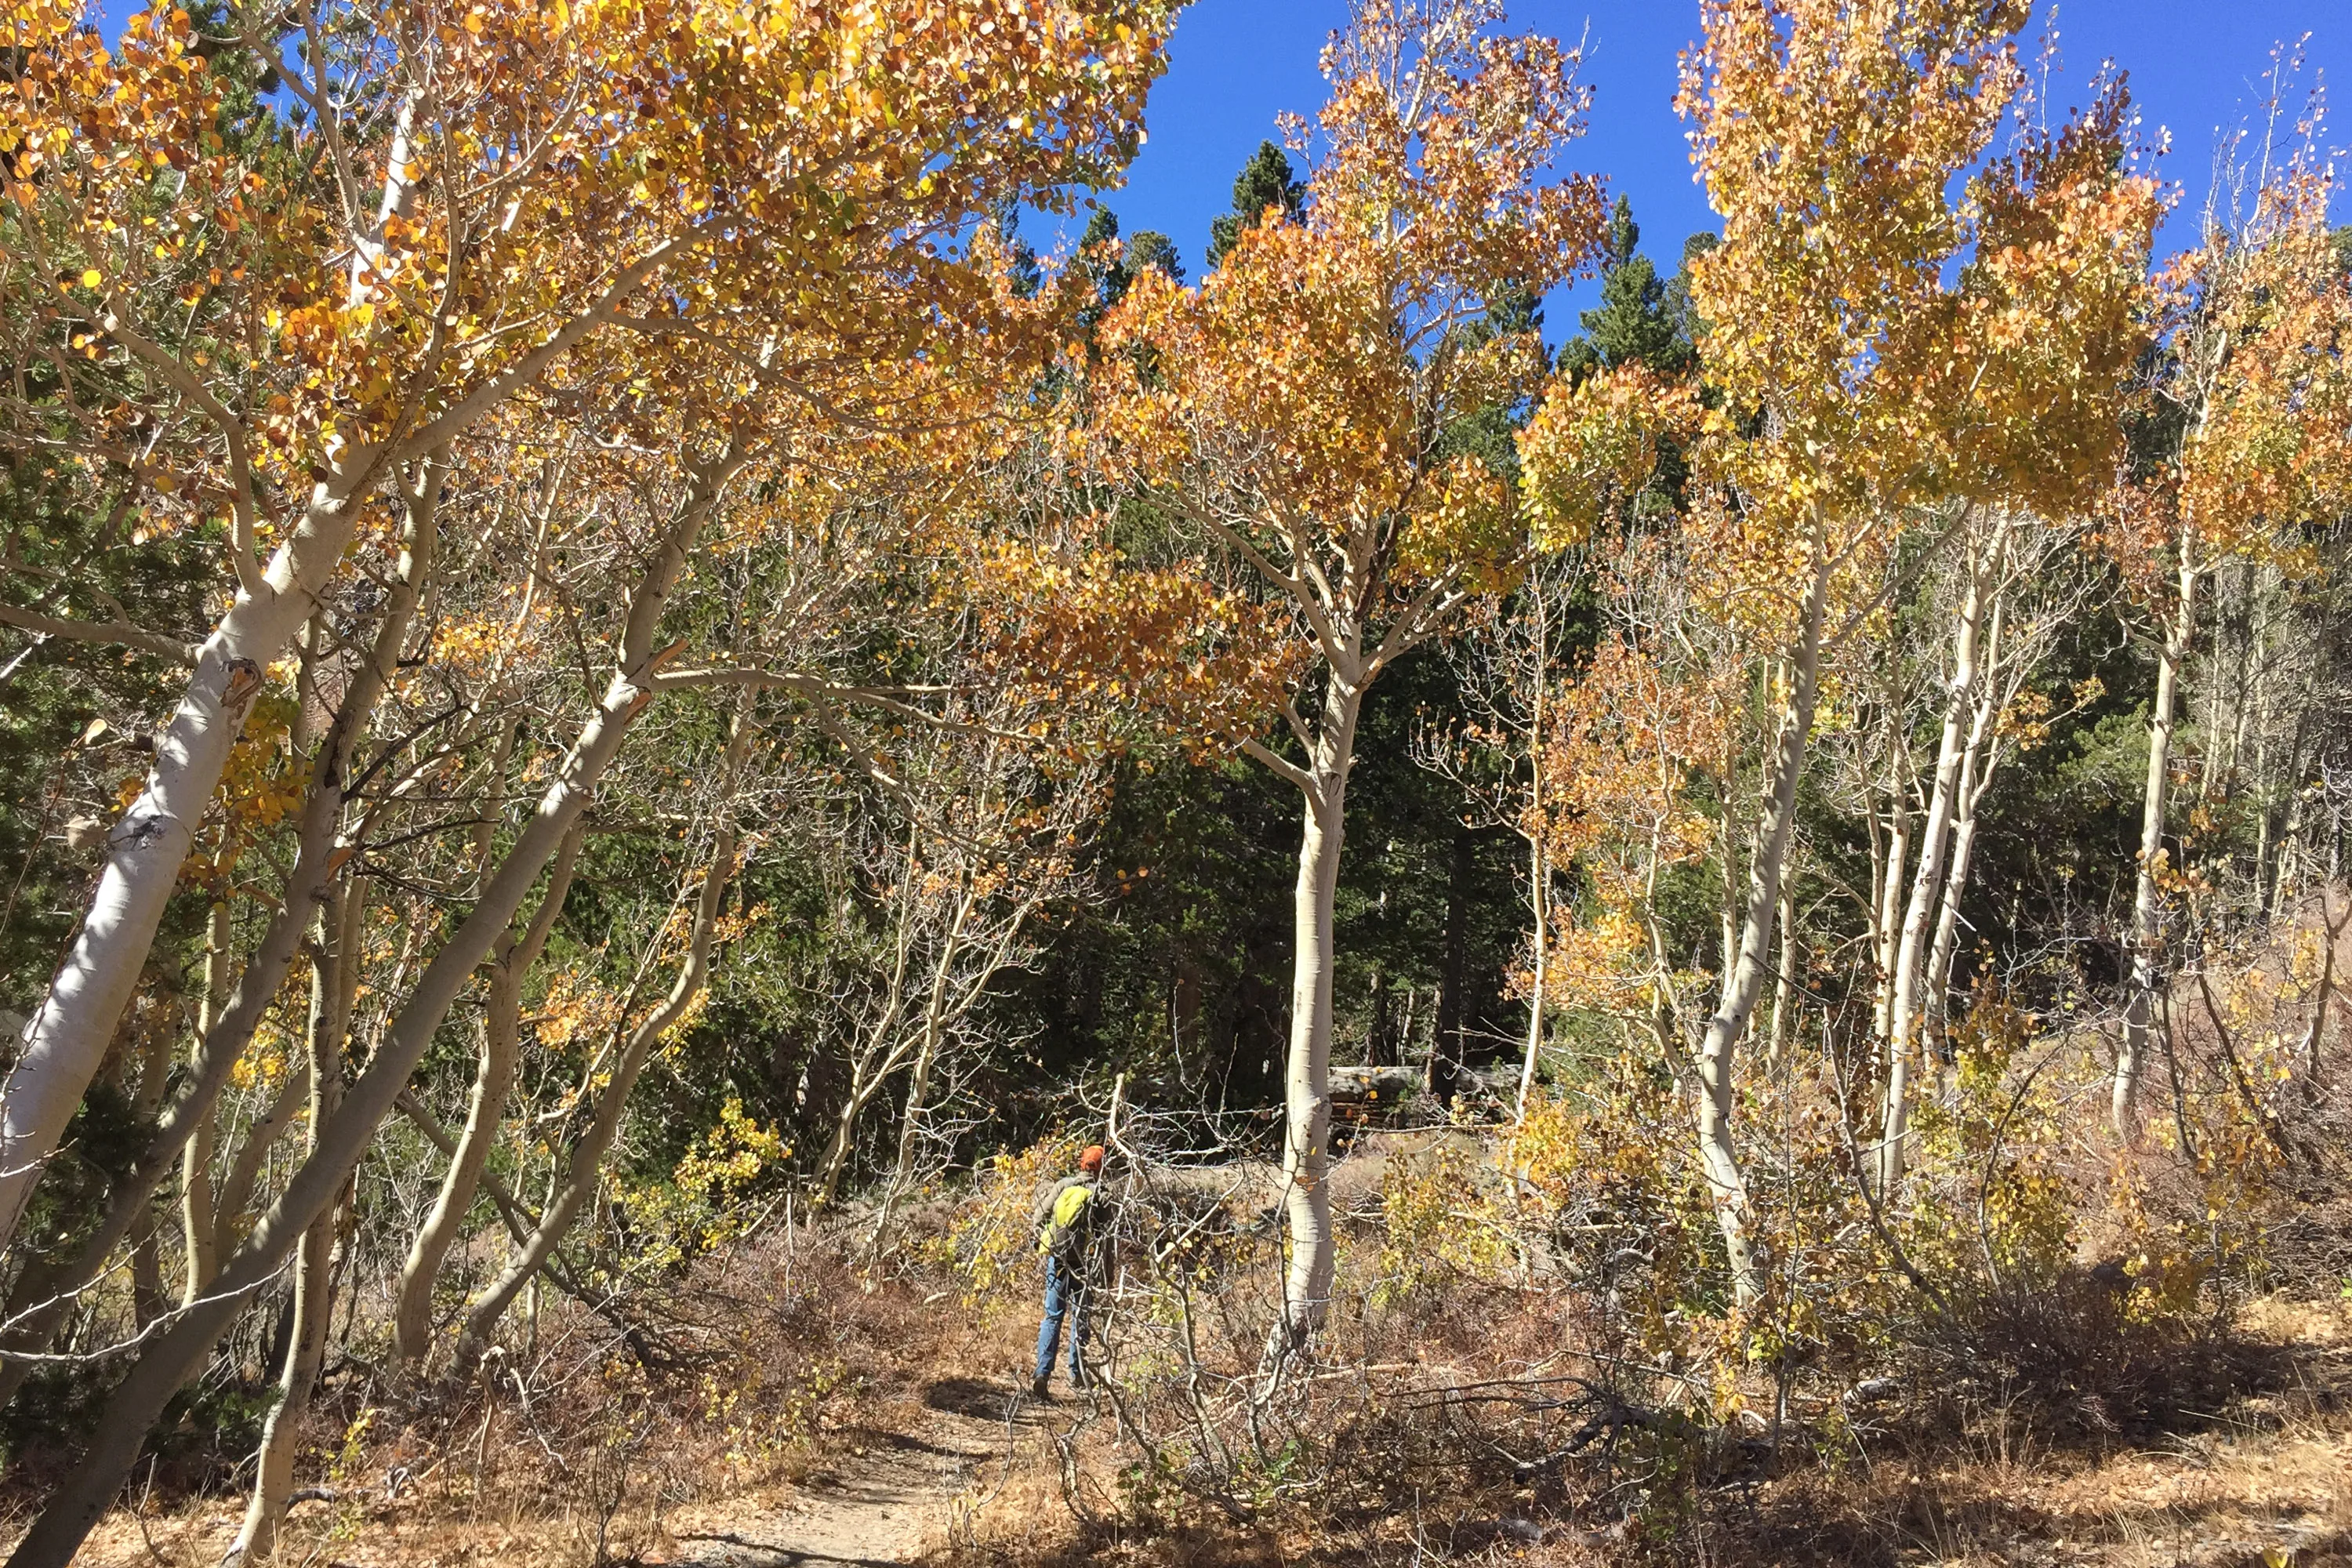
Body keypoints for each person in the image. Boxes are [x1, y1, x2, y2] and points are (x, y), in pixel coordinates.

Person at [1030, 1144, 1105, 1400]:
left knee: (1052, 1317)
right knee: (1080, 1317)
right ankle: (1077, 1373)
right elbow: (1106, 1238)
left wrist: (1048, 1240)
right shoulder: (1101, 1194)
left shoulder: (1063, 1186)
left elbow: (1039, 1217)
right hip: (1085, 1265)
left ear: (1082, 1163)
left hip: (1058, 1261)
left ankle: (1042, 1374)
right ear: (1101, 1167)